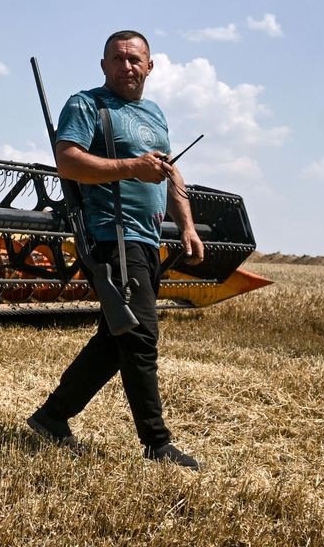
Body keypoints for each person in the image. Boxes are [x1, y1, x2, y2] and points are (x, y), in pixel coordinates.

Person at [27, 30, 206, 468]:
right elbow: (67, 160)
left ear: (150, 66)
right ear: (103, 65)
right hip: (111, 237)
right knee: (141, 338)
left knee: (117, 337)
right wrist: (132, 167)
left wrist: (186, 224)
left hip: (146, 240)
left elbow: (168, 173)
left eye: (134, 59)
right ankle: (156, 443)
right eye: (118, 59)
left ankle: (51, 417)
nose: (127, 66)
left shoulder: (154, 114)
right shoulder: (88, 106)